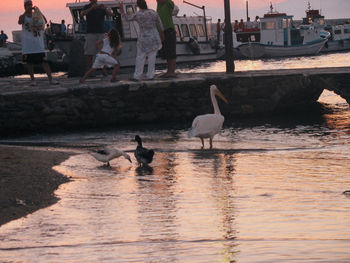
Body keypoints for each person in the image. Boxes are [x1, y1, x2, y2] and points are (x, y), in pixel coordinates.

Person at [120, 0, 164, 81]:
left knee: (140, 57)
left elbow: (127, 18)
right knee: (152, 57)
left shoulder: (138, 14)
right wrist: (162, 34)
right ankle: (150, 75)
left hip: (143, 38)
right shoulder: (153, 12)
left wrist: (122, 10)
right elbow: (160, 24)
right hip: (154, 37)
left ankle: (137, 76)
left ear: (138, 6)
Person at [18, 0, 58, 86]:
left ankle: (51, 79)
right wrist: (26, 11)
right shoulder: (23, 17)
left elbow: (45, 21)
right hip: (28, 45)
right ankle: (33, 80)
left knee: (44, 62)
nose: (29, 6)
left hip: (38, 44)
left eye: (30, 4)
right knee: (29, 63)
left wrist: (39, 11)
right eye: (28, 5)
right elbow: (20, 21)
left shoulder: (36, 16)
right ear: (24, 6)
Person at [80, 0, 113, 69]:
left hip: (101, 33)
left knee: (103, 52)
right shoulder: (86, 6)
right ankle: (90, 70)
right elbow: (81, 14)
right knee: (89, 53)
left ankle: (104, 70)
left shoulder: (101, 7)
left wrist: (105, 9)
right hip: (90, 33)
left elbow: (111, 14)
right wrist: (91, 8)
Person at [157, 0, 176, 78]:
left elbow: (171, 4)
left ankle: (172, 71)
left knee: (171, 52)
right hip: (162, 31)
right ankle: (169, 71)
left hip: (169, 30)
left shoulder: (168, 3)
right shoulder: (159, 5)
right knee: (167, 52)